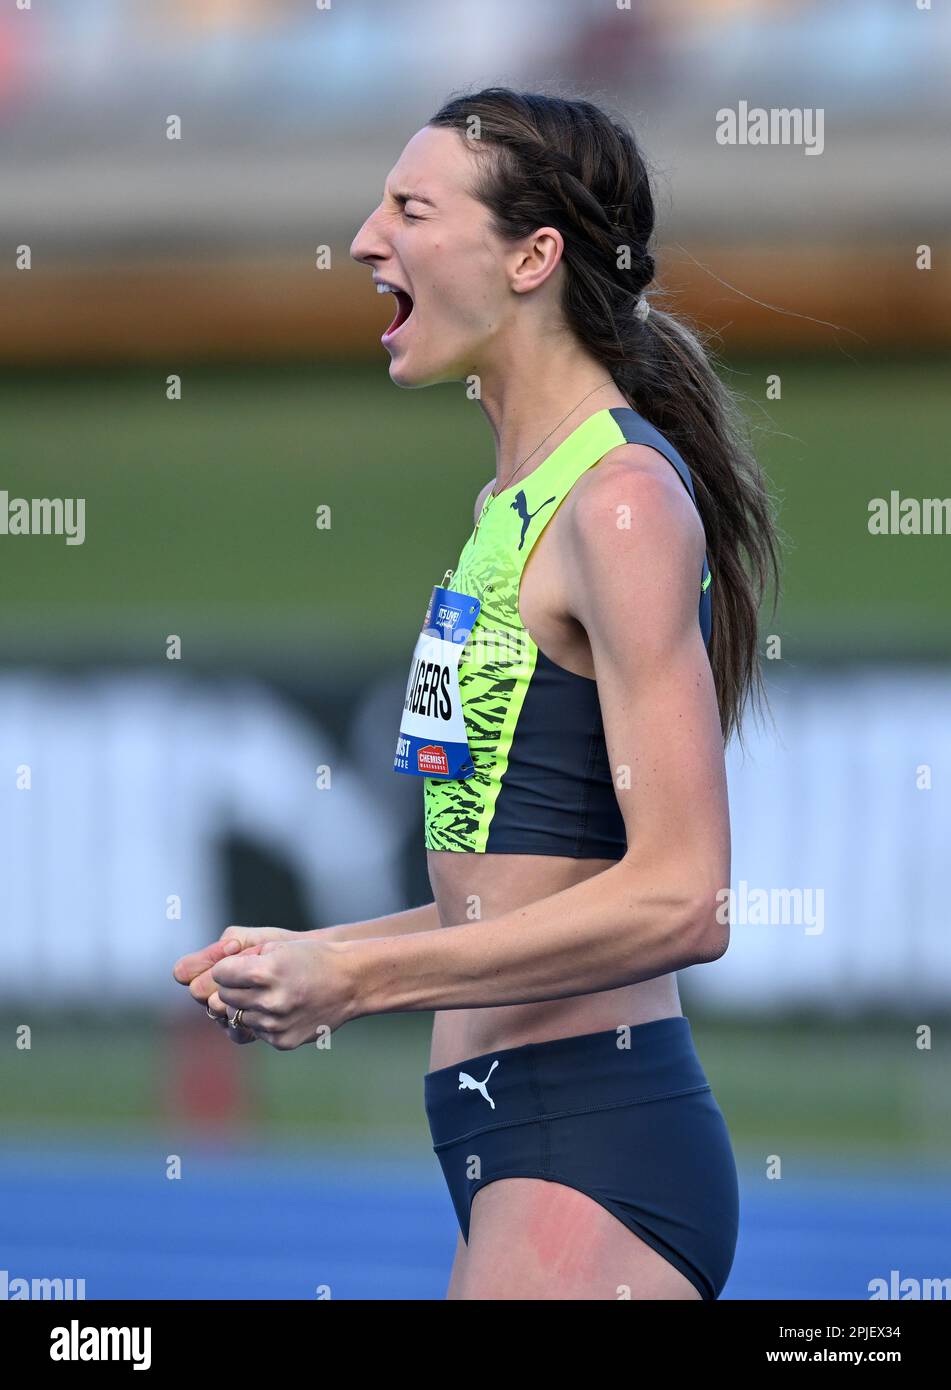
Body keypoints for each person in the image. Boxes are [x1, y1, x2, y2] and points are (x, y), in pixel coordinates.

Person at [173, 87, 779, 1301]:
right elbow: (513, 887)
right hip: (510, 1141)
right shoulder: (510, 510)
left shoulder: (617, 505)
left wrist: (359, 982)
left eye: (409, 208)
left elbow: (684, 900)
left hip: (596, 1143)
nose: (363, 239)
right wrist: (319, 954)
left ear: (531, 257)